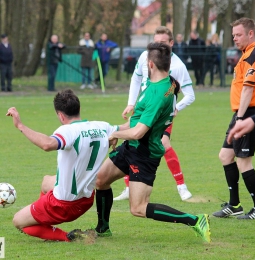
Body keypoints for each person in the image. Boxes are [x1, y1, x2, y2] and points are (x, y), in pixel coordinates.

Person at [90, 42, 211, 243]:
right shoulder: (162, 84)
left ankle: (195, 220)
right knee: (101, 180)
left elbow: (138, 132)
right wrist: (116, 130)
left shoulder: (158, 93)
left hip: (144, 153)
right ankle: (102, 229)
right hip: (132, 147)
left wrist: (115, 133)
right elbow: (135, 121)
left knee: (138, 208)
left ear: (151, 64)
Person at [6, 89, 127, 242]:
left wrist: (20, 125)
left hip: (63, 205)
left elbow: (47, 144)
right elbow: (128, 126)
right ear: (79, 109)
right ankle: (42, 215)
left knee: (18, 222)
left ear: (61, 115)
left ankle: (69, 237)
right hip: (87, 199)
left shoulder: (68, 131)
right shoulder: (101, 126)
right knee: (46, 181)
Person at [114, 26, 195, 201]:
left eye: (163, 43)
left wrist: (176, 107)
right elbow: (136, 79)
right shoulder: (145, 56)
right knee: (132, 142)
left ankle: (181, 186)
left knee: (164, 144)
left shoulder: (178, 66)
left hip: (162, 114)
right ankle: (129, 188)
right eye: (156, 42)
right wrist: (131, 103)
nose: (159, 46)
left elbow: (190, 95)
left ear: (171, 43)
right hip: (144, 109)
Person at [213, 17, 255, 220]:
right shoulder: (244, 55)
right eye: (233, 35)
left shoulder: (254, 55)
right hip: (240, 114)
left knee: (244, 162)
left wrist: (240, 118)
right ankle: (235, 205)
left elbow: (248, 90)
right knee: (225, 156)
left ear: (251, 34)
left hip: (249, 114)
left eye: (238, 34)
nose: (235, 38)